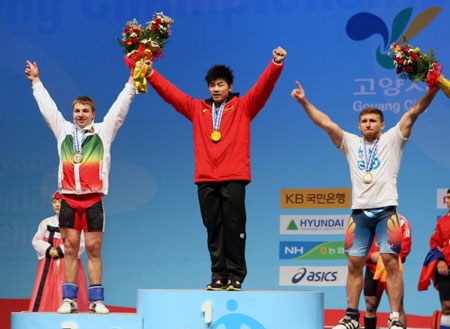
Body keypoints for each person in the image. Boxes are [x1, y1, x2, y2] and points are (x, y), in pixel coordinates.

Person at [291, 80, 438, 329]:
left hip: (386, 212)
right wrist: (305, 102)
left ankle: (394, 318)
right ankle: (351, 316)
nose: (368, 124)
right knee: (353, 264)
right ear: (359, 126)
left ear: (382, 124)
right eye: (364, 121)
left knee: (391, 263)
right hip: (358, 214)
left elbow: (413, 112)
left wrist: (432, 90)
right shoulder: (350, 142)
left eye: (373, 121)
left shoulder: (393, 139)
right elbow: (325, 122)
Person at [144, 47, 287, 291]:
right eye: (212, 85)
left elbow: (264, 88)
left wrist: (275, 64)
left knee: (234, 228)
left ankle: (235, 275)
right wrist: (150, 73)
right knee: (213, 229)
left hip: (234, 177)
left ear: (230, 86)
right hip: (205, 178)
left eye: (220, 84)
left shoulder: (243, 106)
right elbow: (172, 95)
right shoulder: (197, 108)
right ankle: (217, 275)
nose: (216, 89)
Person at [25, 61, 135, 314]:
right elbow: (47, 108)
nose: (80, 114)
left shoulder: (102, 132)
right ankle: (69, 299)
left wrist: (131, 84)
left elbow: (119, 110)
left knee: (95, 249)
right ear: (72, 112)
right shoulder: (63, 130)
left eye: (85, 110)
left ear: (93, 114)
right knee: (71, 249)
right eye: (77, 110)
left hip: (93, 200)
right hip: (68, 200)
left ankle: (97, 300)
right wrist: (36, 82)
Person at [28, 191, 89, 312]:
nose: (57, 205)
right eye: (54, 202)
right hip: (48, 264)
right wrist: (49, 249)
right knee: (47, 287)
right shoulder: (46, 223)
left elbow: (81, 242)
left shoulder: (75, 223)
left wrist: (61, 250)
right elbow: (36, 241)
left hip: (68, 261)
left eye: (60, 202)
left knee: (69, 284)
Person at [363, 214, 411, 329]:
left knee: (398, 308)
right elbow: (358, 247)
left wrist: (384, 257)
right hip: (372, 269)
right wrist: (370, 256)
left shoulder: (401, 222)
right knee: (370, 305)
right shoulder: (366, 221)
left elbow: (404, 249)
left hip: (392, 269)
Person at [421, 189, 450, 329]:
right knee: (446, 306)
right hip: (446, 269)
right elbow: (434, 244)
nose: (448, 201)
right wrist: (439, 260)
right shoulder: (442, 222)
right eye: (448, 198)